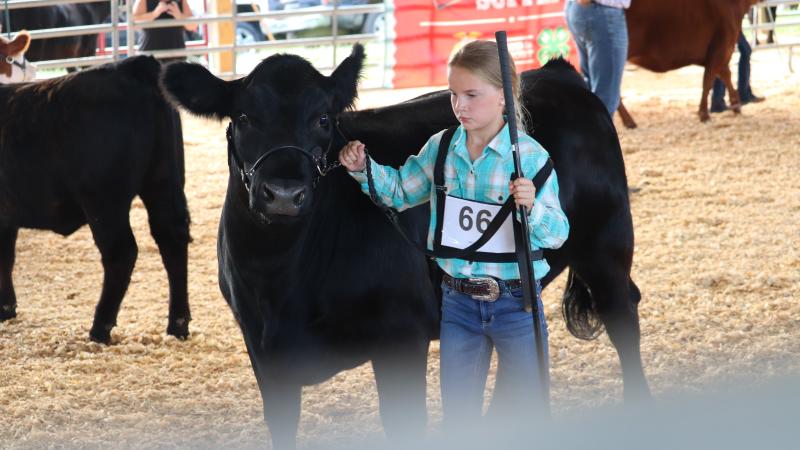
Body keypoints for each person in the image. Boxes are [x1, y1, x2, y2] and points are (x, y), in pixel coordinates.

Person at [338, 40, 569, 430]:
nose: (459, 105)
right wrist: (364, 169)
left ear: (504, 97)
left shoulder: (530, 158)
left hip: (518, 303)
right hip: (458, 303)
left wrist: (534, 208)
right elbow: (398, 191)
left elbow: (559, 234)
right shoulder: (440, 148)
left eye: (471, 95)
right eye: (453, 94)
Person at [565, 0, 631, 116]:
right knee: (606, 97)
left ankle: (587, 132)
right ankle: (599, 133)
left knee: (591, 90)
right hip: (602, 13)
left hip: (584, 10)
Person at [710, 31, 764, 113]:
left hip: (732, 22)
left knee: (744, 50)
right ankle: (718, 100)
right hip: (724, 22)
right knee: (722, 55)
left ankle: (742, 93)